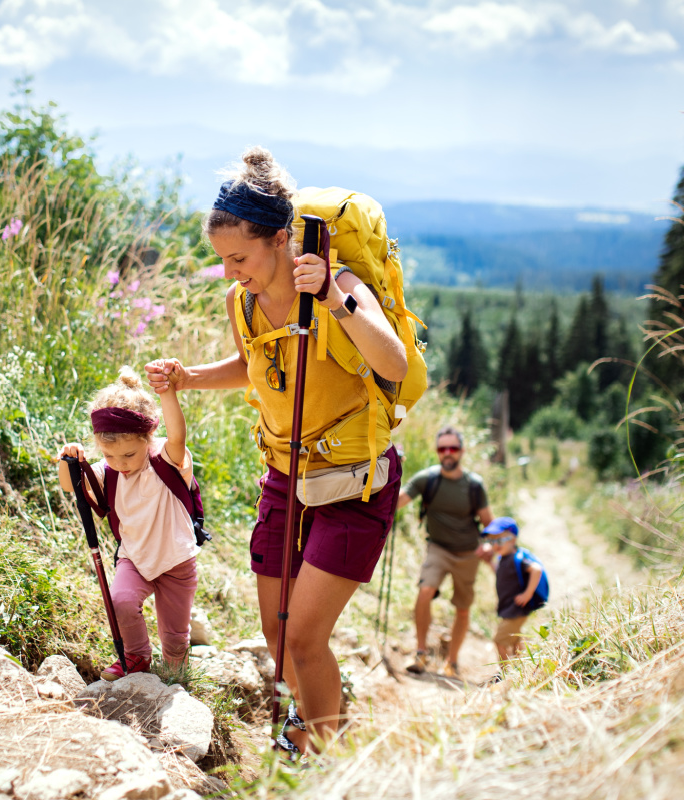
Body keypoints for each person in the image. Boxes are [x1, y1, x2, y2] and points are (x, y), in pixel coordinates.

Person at [145, 147, 406, 756]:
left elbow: (391, 361)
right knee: (277, 633)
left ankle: (322, 757)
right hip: (285, 477)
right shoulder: (243, 300)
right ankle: (315, 724)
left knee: (307, 638)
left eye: (240, 257)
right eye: (223, 261)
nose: (232, 272)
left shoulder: (338, 284)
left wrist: (338, 302)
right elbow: (254, 364)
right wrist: (189, 377)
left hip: (354, 483)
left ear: (282, 239)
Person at [57, 366, 198, 681]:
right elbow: (70, 485)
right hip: (134, 557)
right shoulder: (108, 471)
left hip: (176, 559)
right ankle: (136, 658)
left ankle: (177, 672)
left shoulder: (166, 459)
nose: (120, 464)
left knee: (175, 634)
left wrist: (167, 393)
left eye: (129, 455)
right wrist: (67, 460)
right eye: (109, 455)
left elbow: (178, 434)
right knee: (120, 600)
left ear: (148, 438)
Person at [397, 425, 493, 677]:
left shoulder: (474, 485)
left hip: (468, 554)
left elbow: (489, 524)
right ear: (437, 452)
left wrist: (490, 545)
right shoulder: (426, 479)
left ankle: (452, 661)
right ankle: (421, 654)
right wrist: (390, 472)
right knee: (424, 591)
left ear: (461, 451)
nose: (447, 453)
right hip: (438, 548)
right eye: (442, 449)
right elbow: (398, 501)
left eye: (453, 448)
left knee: (462, 608)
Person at [478, 517, 547, 662]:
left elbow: (536, 570)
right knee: (515, 639)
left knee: (499, 641)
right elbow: (501, 574)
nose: (496, 545)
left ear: (513, 540)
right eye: (492, 541)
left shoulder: (518, 558)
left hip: (517, 608)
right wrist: (490, 562)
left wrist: (527, 594)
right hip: (510, 607)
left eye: (500, 540)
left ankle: (506, 672)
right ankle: (523, 666)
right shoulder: (504, 559)